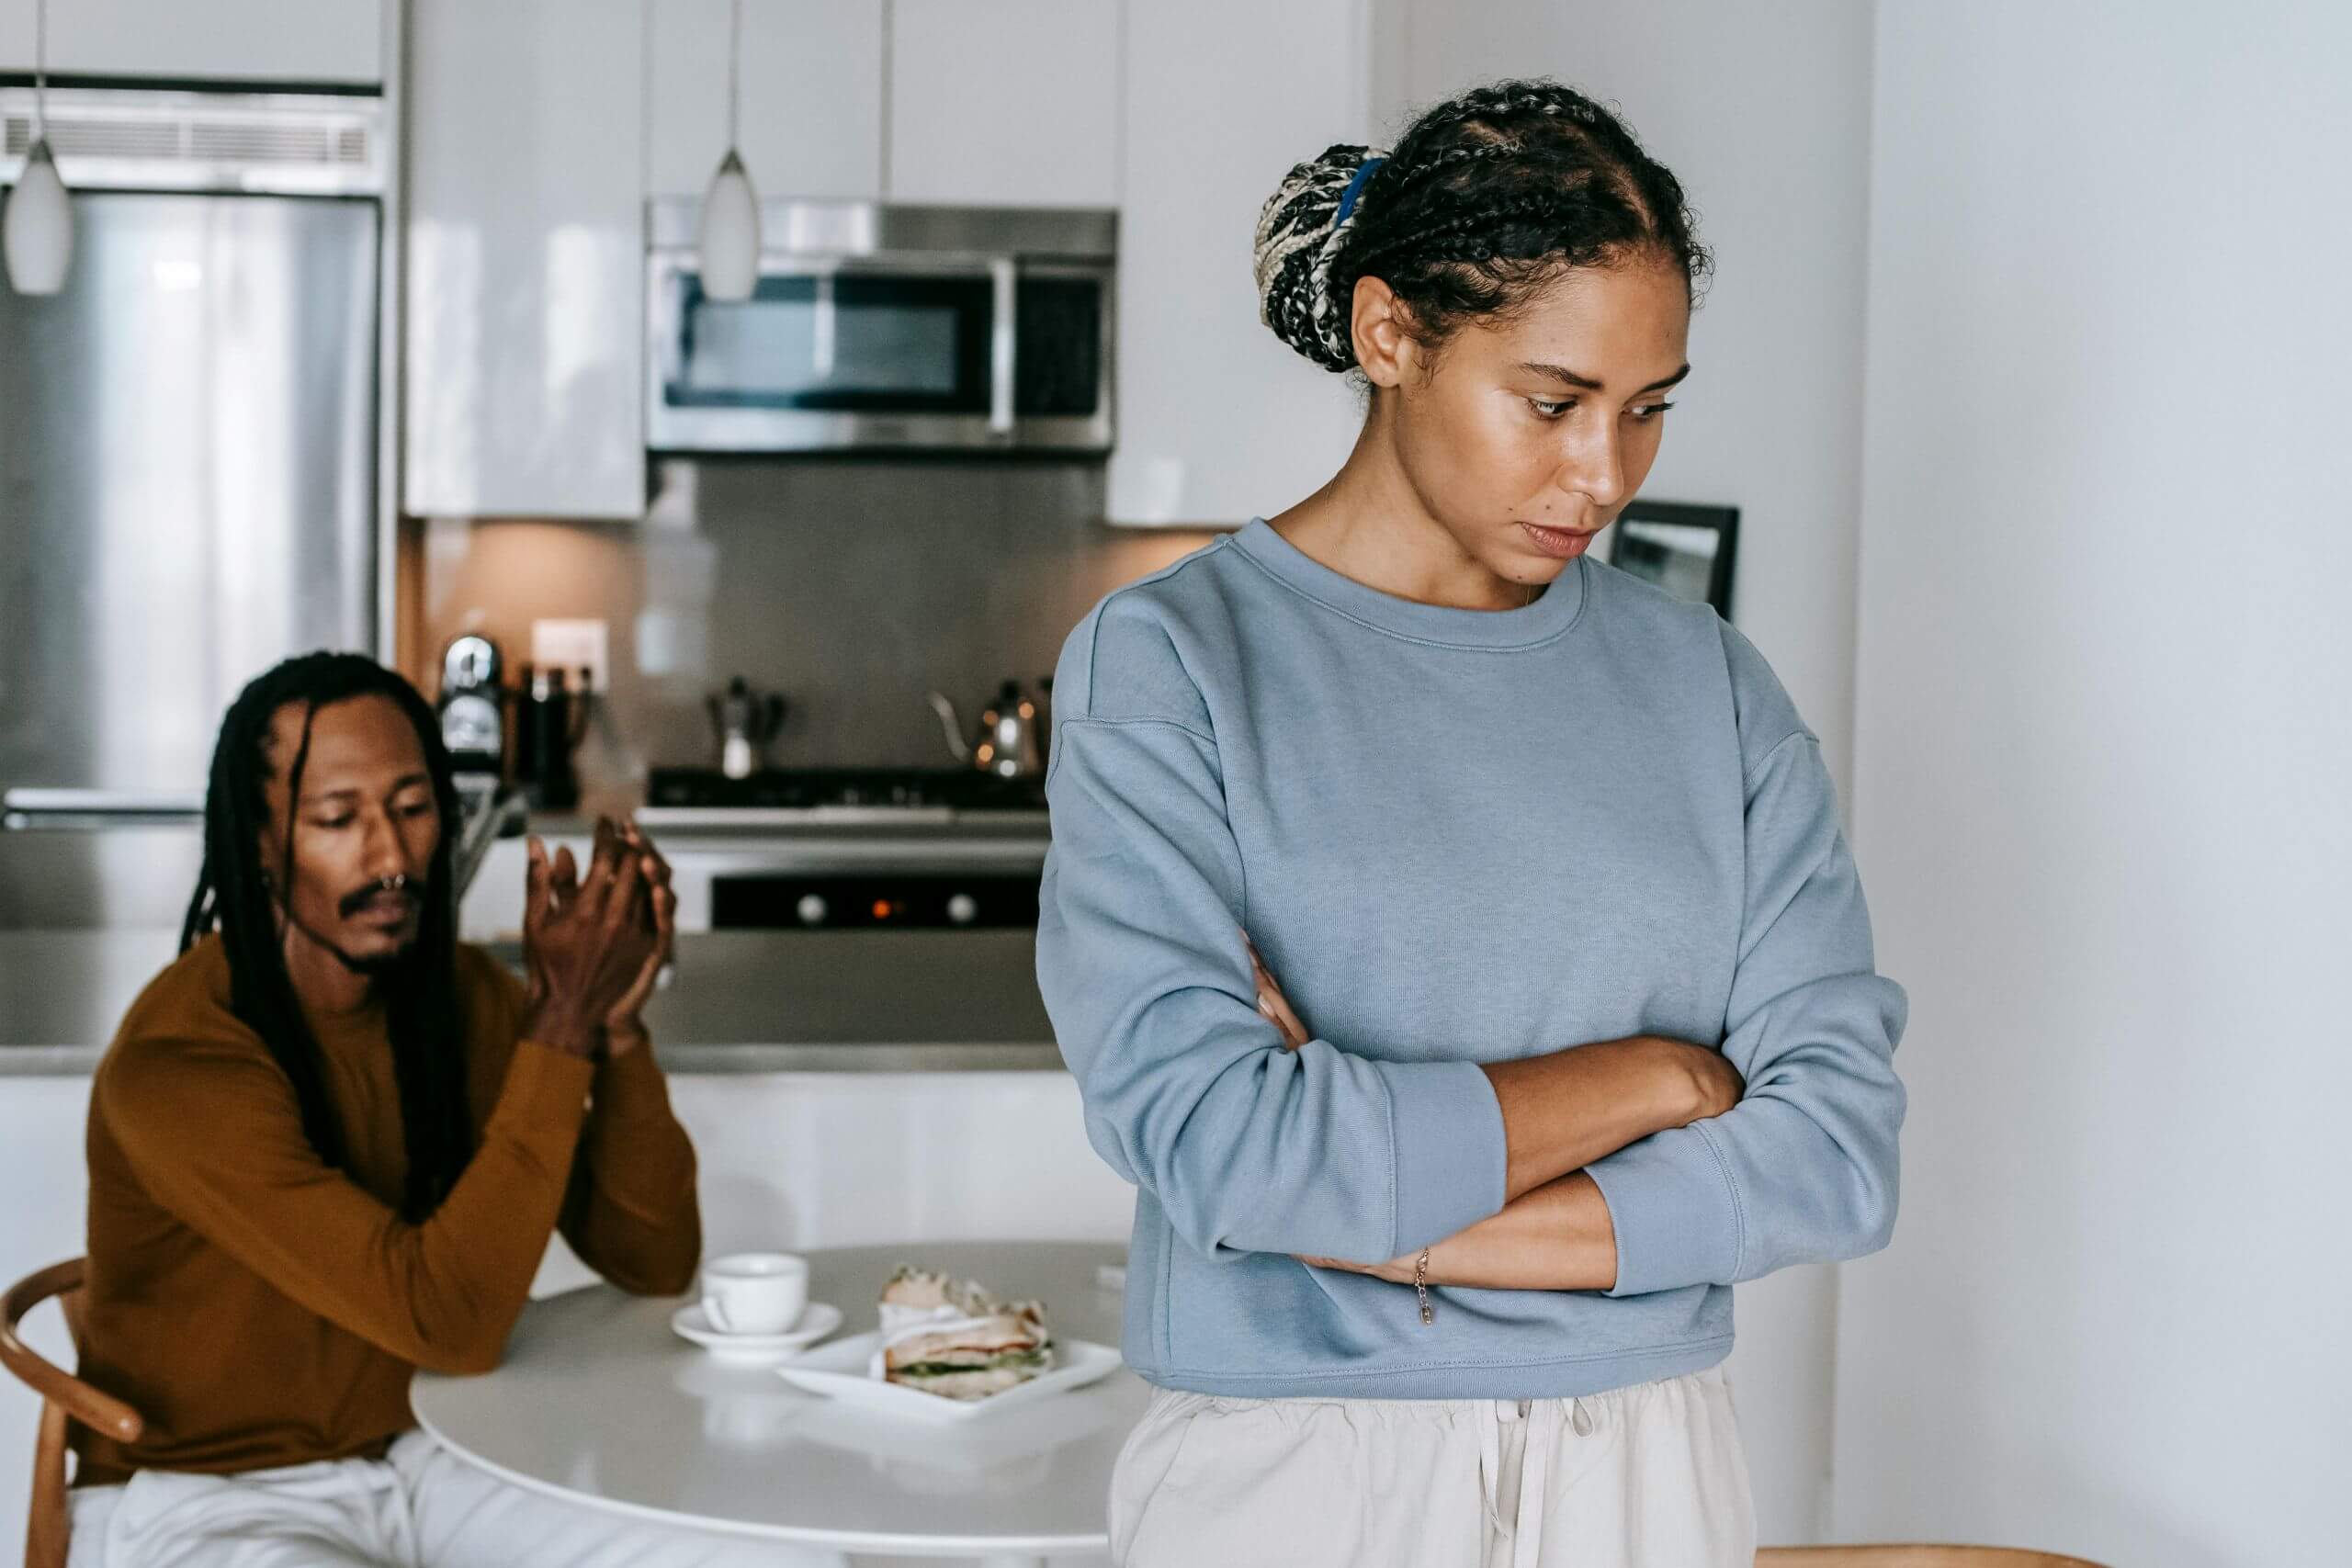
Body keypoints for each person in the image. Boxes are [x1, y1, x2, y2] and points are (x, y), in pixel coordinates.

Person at [1033, 80, 1909, 1568]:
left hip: (1646, 1457)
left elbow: (1833, 1153)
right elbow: (1220, 1144)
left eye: (1646, 411)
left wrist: (1400, 1222)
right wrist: (1658, 1074)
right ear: (1391, 335)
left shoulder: (1707, 683)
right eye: (1554, 403)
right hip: (1293, 1471)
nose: (1606, 475)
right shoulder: (1177, 660)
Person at [67, 652, 829, 1567]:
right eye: (338, 820)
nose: (390, 857)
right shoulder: (182, 1063)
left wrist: (613, 1031)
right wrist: (559, 1023)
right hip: (218, 1497)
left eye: (414, 809)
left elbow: (652, 1260)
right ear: (262, 845)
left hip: (438, 1452)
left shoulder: (458, 1002)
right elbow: (449, 1322)